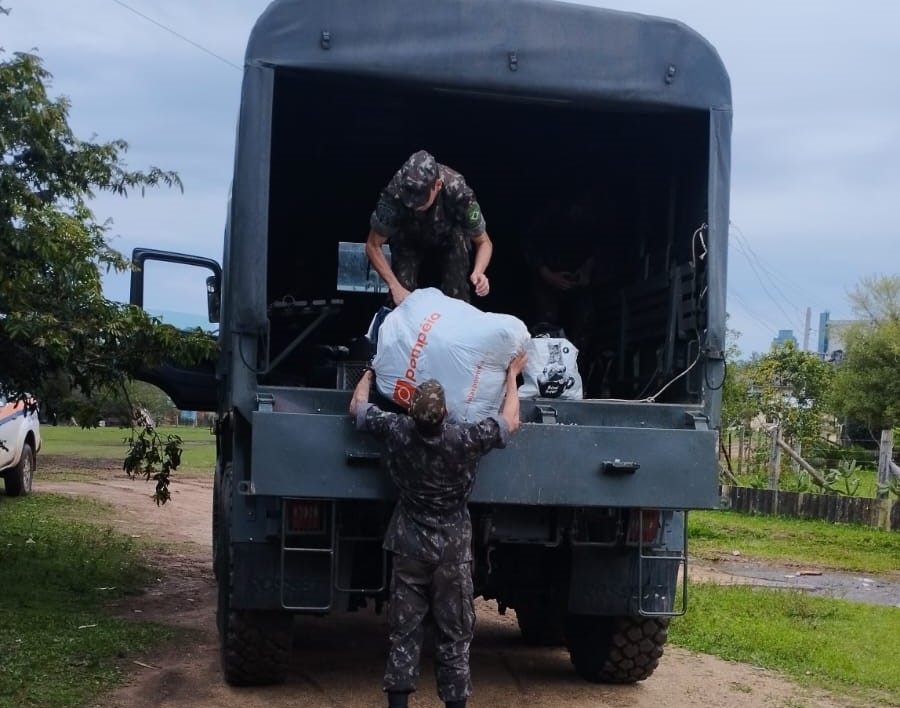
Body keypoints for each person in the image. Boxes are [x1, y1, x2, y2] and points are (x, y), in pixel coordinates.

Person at [349, 352, 528, 708]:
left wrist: (368, 372)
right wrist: (512, 376)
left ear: (410, 411)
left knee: (404, 633)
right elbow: (510, 421)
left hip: (408, 548)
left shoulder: (396, 430)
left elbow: (357, 407)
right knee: (455, 637)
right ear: (445, 413)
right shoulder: (464, 440)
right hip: (452, 554)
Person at [365, 150, 493, 306]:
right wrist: (394, 286)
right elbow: (373, 245)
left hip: (450, 236)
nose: (415, 205)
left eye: (420, 199)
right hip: (408, 236)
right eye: (410, 200)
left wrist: (479, 271)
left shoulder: (457, 189)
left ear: (438, 185)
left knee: (457, 295)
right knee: (400, 295)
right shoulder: (395, 192)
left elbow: (484, 242)